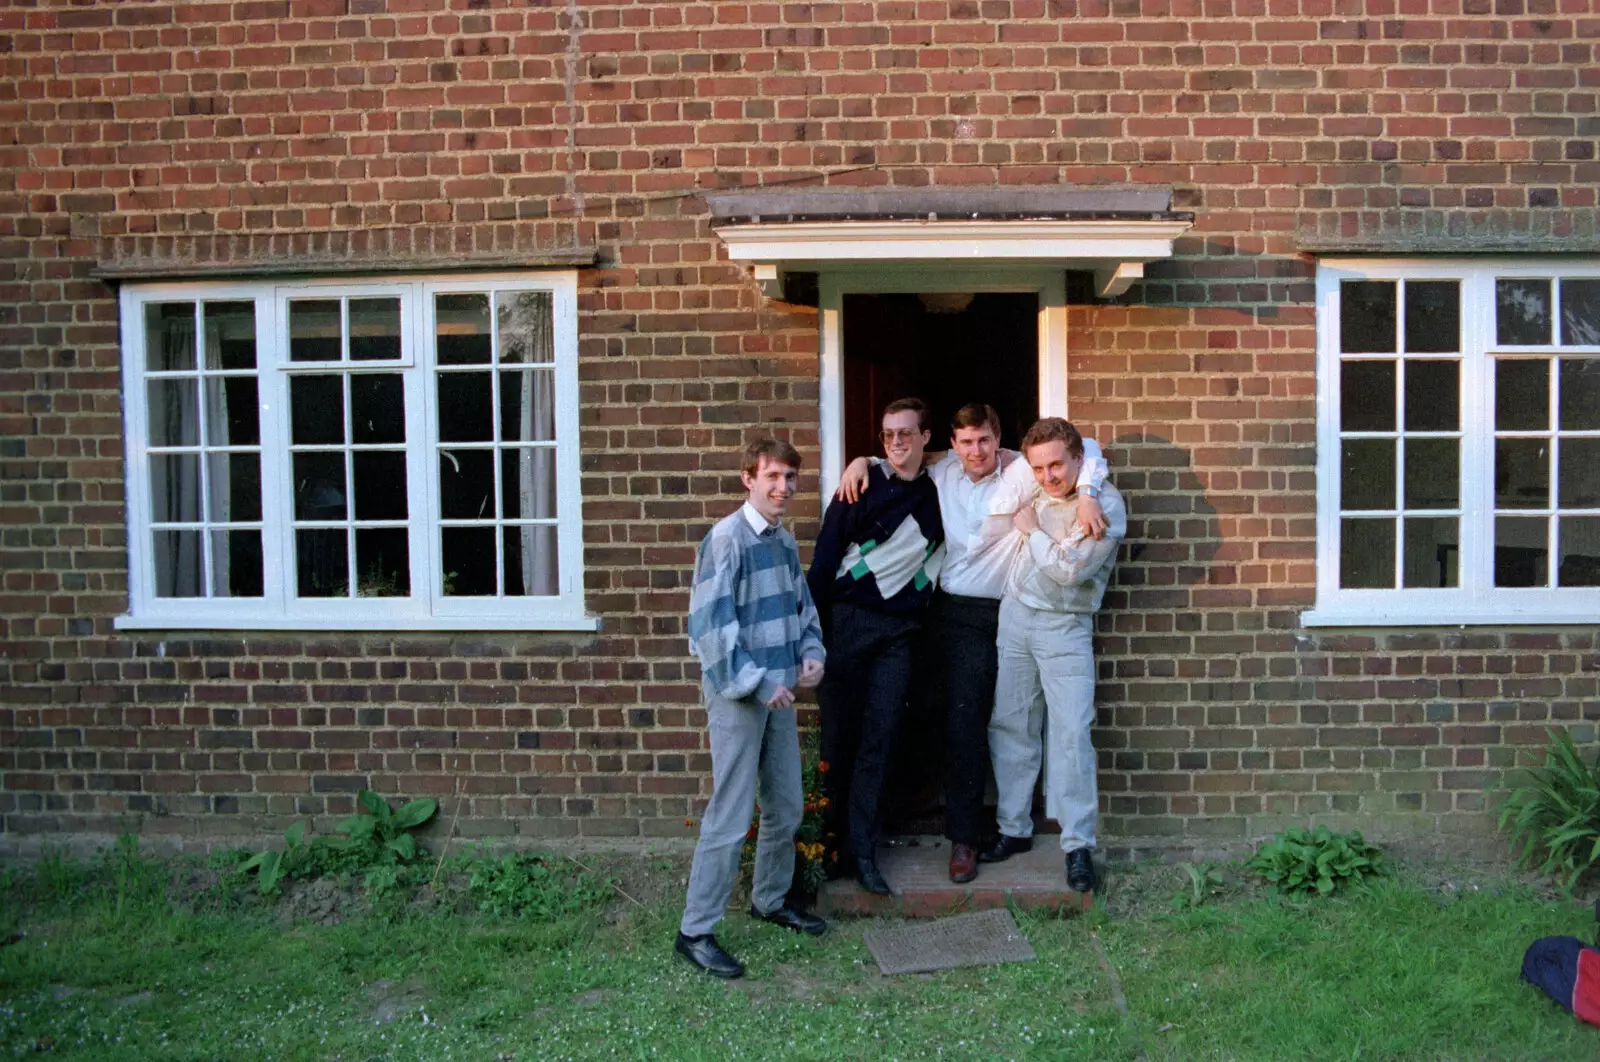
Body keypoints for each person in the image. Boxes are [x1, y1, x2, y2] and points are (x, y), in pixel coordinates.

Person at [834, 405, 1110, 884]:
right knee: (900, 712)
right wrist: (862, 460)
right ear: (953, 443)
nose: (975, 451)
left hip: (989, 616)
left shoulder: (1024, 471)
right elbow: (903, 456)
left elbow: (1087, 450)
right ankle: (866, 835)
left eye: (983, 440)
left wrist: (1087, 493)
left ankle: (963, 839)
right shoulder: (943, 470)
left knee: (968, 721)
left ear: (998, 440)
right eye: (965, 442)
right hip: (935, 608)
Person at [676, 437, 828, 980]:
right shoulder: (726, 540)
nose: (783, 487)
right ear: (748, 478)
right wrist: (759, 684)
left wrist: (811, 654)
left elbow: (802, 609)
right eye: (772, 477)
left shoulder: (783, 542)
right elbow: (710, 632)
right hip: (739, 695)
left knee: (786, 802)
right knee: (732, 812)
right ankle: (695, 930)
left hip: (779, 695)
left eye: (790, 478)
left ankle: (769, 899)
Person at [981, 417, 1126, 896]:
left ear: (1078, 462)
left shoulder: (1103, 506)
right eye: (1038, 468)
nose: (1047, 477)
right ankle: (1014, 828)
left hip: (1065, 627)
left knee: (1071, 733)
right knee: (1012, 722)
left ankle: (1078, 844)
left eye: (1057, 466)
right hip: (1017, 618)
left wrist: (1032, 530)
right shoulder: (1043, 484)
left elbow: (1068, 571)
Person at [808, 398, 946, 896]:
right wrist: (816, 636)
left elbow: (1006, 460)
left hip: (900, 634)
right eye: (887, 435)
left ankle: (863, 852)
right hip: (847, 623)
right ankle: (823, 852)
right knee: (837, 741)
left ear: (927, 437)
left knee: (880, 739)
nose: (896, 443)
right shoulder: (858, 486)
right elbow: (824, 562)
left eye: (906, 433)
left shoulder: (940, 493)